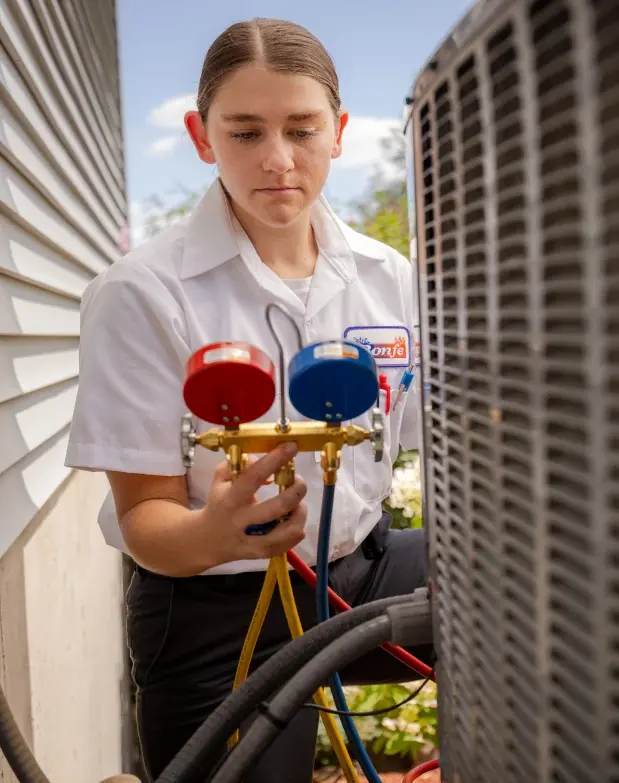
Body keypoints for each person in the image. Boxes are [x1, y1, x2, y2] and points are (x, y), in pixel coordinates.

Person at [65, 17, 432, 783]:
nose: (277, 160)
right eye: (245, 132)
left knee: (556, 603)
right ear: (202, 137)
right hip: (210, 607)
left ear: (339, 133)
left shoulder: (389, 278)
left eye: (302, 129)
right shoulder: (140, 294)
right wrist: (218, 529)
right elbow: (145, 522)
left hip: (356, 575)